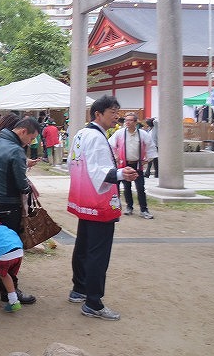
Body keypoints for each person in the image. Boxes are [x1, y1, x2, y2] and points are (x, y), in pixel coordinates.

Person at [67, 95, 138, 321]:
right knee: (98, 252)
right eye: (112, 112)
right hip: (99, 201)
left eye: (117, 112)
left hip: (84, 198)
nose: (116, 116)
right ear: (98, 114)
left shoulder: (81, 133)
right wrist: (121, 173)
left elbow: (72, 164)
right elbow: (99, 171)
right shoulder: (97, 137)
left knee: (83, 245)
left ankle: (79, 288)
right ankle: (93, 302)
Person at [0, 116, 41, 305]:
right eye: (31, 138)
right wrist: (27, 187)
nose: (30, 142)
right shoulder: (16, 150)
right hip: (9, 206)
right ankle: (10, 290)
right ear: (23, 131)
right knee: (11, 249)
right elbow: (20, 184)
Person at [108, 112, 157, 219]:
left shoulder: (142, 134)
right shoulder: (120, 133)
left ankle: (144, 209)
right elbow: (110, 145)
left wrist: (147, 159)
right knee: (127, 187)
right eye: (126, 120)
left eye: (130, 120)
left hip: (137, 164)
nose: (127, 122)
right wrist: (116, 157)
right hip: (124, 164)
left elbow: (150, 147)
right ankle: (129, 207)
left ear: (135, 122)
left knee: (140, 187)